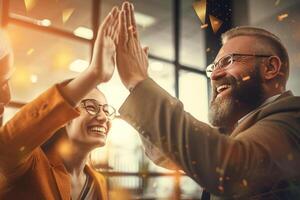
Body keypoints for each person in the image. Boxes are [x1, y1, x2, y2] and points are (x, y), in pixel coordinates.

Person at [115, 2, 300, 199]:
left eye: (228, 61)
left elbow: (230, 169)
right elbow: (168, 154)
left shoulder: (292, 118)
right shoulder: (240, 131)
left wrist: (139, 82)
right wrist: (140, 88)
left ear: (270, 68)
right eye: (213, 66)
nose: (214, 75)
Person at [0, 6, 119, 200]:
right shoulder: (31, 166)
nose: (103, 116)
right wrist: (93, 74)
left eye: (106, 110)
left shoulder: (98, 182)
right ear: (64, 117)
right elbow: (7, 145)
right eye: (91, 106)